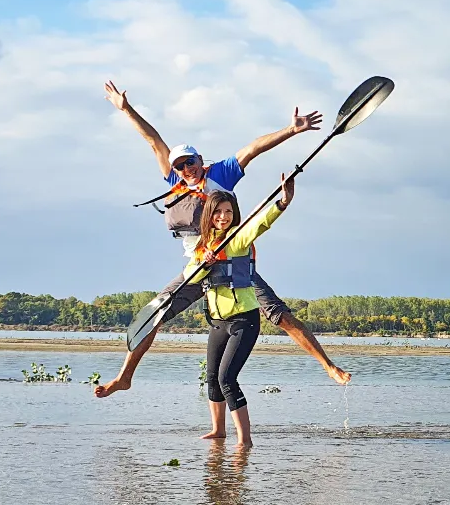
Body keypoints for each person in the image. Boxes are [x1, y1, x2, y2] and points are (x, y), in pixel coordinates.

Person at [94, 81, 350, 398]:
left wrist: (291, 130)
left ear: (200, 159)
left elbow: (252, 148)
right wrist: (126, 109)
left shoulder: (221, 174)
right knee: (155, 313)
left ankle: (328, 366)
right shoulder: (174, 181)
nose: (186, 168)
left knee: (278, 314)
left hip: (233, 260)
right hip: (199, 266)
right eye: (180, 165)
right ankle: (124, 377)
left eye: (190, 161)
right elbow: (152, 140)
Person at [186, 185, 293, 445]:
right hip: (218, 322)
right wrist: (205, 263)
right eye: (218, 212)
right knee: (211, 378)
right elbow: (192, 275)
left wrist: (282, 202)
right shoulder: (202, 246)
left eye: (228, 212)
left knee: (227, 378)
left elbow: (260, 224)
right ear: (209, 215)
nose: (223, 217)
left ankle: (245, 440)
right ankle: (218, 430)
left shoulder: (239, 237)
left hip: (244, 319)